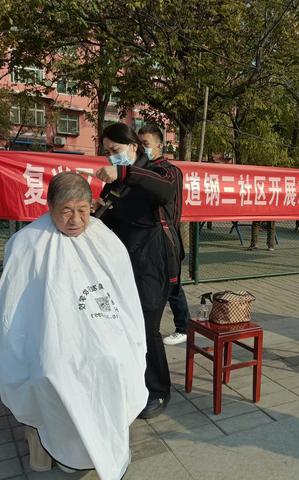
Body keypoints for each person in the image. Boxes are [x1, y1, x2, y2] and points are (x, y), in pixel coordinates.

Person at [0, 172, 148, 478]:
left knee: (116, 361)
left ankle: (107, 437)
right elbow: (14, 312)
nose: (76, 220)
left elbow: (123, 297)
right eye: (66, 211)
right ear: (50, 207)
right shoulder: (27, 243)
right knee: (54, 372)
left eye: (83, 210)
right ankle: (61, 446)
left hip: (102, 330)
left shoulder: (104, 238)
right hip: (48, 338)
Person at [94, 122, 183, 419]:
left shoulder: (161, 172)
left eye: (115, 150)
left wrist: (124, 171)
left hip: (154, 265)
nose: (111, 157)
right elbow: (105, 216)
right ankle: (135, 384)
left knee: (147, 329)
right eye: (107, 152)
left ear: (134, 147)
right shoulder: (117, 182)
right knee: (128, 328)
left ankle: (158, 391)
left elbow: (166, 191)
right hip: (125, 265)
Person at [137, 124, 190, 346]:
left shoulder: (168, 172)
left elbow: (162, 193)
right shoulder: (141, 169)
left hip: (167, 239)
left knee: (172, 286)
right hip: (148, 242)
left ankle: (183, 327)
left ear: (160, 145)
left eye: (146, 144)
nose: (142, 149)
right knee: (169, 287)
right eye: (138, 144)